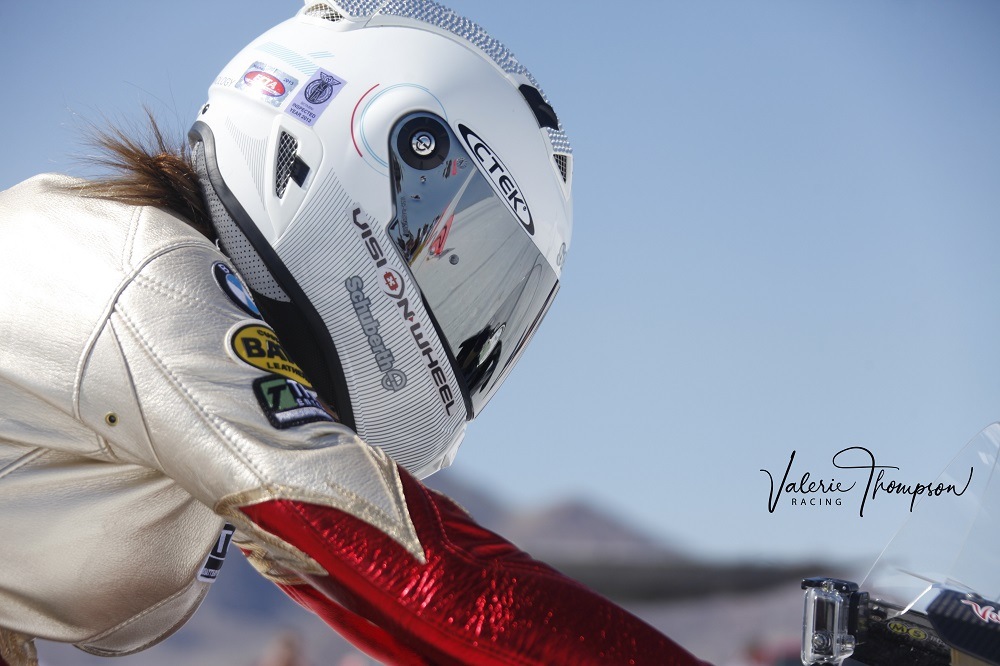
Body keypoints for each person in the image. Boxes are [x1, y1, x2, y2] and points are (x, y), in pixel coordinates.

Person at [0, 2, 708, 665]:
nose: (462, 305)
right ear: (377, 141)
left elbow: (386, 603)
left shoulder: (164, 328)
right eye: (446, 243)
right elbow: (427, 574)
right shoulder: (150, 280)